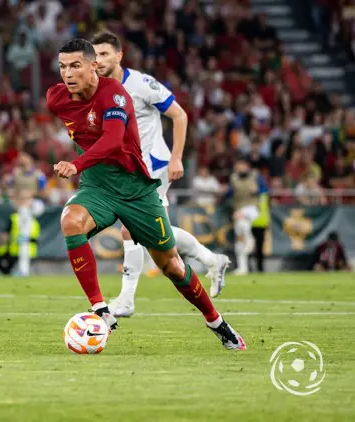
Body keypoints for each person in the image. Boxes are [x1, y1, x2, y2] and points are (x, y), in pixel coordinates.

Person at [47, 39, 244, 350]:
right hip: (98, 186)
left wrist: (77, 164)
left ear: (93, 66)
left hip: (137, 189)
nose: (67, 74)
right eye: (62, 67)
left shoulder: (116, 94)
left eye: (75, 65)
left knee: (171, 266)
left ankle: (216, 321)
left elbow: (112, 140)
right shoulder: (57, 98)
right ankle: (101, 310)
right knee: (71, 220)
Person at [91, 31, 230, 317]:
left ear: (119, 55)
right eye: (95, 55)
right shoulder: (97, 88)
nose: (99, 60)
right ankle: (211, 259)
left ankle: (127, 300)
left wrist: (177, 157)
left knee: (131, 227)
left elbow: (179, 115)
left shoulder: (141, 83)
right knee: (155, 233)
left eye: (105, 54)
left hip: (153, 166)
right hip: (127, 169)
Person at [227, 157, 268, 275]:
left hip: (253, 208)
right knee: (240, 233)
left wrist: (258, 190)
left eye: (242, 165)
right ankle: (242, 267)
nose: (239, 167)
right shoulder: (234, 178)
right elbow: (230, 194)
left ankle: (249, 238)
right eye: (238, 165)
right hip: (238, 209)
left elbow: (265, 190)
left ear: (247, 166)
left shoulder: (255, 176)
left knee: (241, 219)